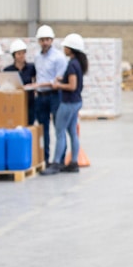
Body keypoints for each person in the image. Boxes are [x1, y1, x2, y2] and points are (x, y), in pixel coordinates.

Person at [44, 33, 86, 175]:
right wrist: (63, 78)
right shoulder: (77, 63)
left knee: (60, 132)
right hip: (76, 102)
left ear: (71, 48)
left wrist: (58, 86)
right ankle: (73, 162)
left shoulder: (72, 64)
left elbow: (72, 86)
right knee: (72, 132)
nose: (64, 49)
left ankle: (56, 163)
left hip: (68, 102)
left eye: (66, 47)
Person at [28, 25, 66, 167]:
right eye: (42, 40)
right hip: (41, 96)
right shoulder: (37, 57)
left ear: (52, 40)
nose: (45, 42)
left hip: (55, 96)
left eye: (47, 40)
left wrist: (40, 84)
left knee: (58, 128)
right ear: (39, 41)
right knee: (43, 129)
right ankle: (45, 159)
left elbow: (59, 79)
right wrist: (35, 86)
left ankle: (60, 160)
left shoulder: (59, 57)